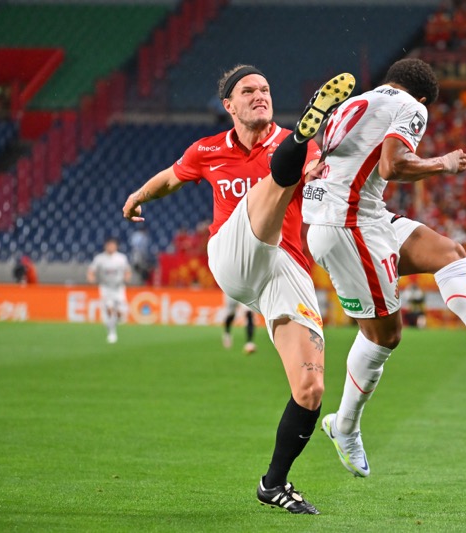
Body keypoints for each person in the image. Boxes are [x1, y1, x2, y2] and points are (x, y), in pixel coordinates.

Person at [302, 58, 466, 478]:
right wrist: (444, 163)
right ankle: (343, 426)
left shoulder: (351, 104)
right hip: (348, 226)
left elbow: (326, 163)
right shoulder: (412, 107)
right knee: (385, 337)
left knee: (449, 252)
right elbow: (393, 165)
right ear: (421, 98)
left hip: (362, 217)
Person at [122, 65, 355, 514]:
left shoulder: (300, 149)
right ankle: (297, 143)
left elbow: (324, 177)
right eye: (248, 90)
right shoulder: (208, 149)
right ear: (228, 106)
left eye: (265, 89)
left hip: (284, 269)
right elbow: (171, 178)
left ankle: (274, 483)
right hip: (233, 254)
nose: (259, 95)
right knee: (275, 179)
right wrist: (138, 196)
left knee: (310, 389)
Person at [87, 237, 131, 343]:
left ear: (116, 246)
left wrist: (127, 277)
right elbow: (91, 270)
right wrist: (91, 277)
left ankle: (118, 317)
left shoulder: (121, 258)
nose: (111, 247)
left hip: (118, 288)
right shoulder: (99, 258)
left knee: (121, 313)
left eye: (113, 245)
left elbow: (127, 270)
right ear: (105, 246)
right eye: (109, 245)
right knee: (109, 309)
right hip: (106, 288)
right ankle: (112, 333)